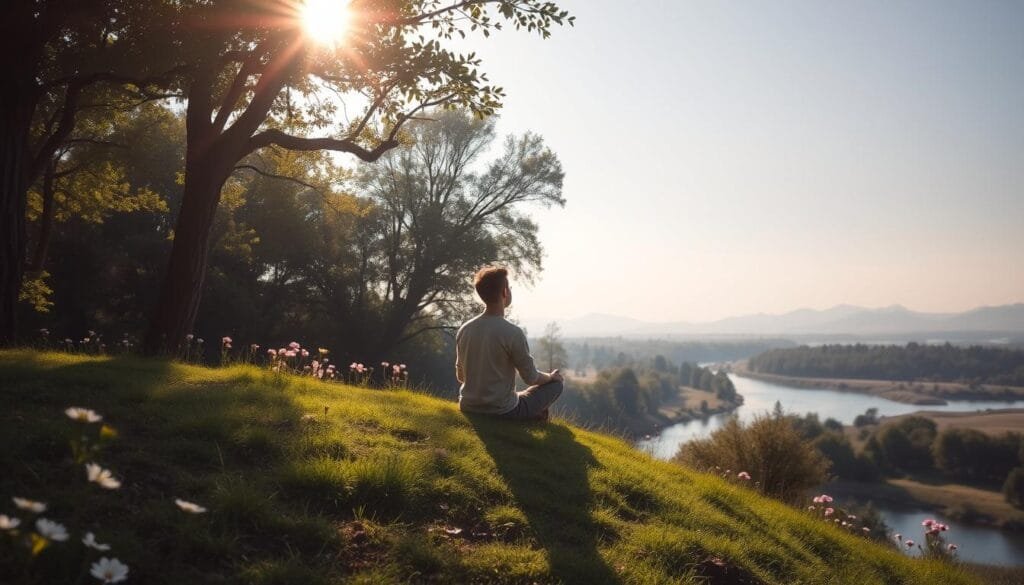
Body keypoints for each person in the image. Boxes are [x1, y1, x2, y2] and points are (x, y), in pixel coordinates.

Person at [455, 266, 563, 421]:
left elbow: (461, 376)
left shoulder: (465, 329)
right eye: (509, 287)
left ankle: (534, 415)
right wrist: (551, 377)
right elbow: (531, 378)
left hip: (468, 406)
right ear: (505, 292)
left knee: (521, 395)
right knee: (556, 386)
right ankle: (533, 416)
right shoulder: (512, 332)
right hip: (503, 411)